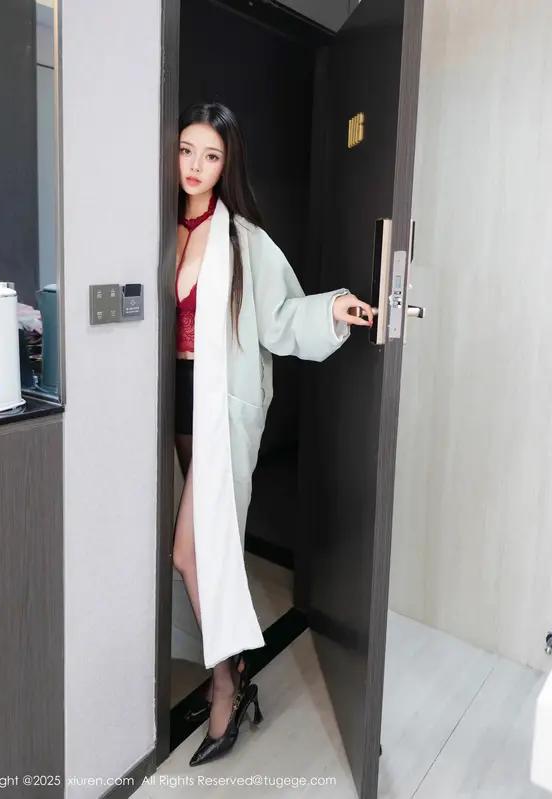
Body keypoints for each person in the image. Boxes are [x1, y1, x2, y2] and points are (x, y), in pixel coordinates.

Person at [172, 101, 374, 767]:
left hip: (219, 408)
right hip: (173, 406)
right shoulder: (163, 228)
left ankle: (228, 685)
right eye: (186, 151)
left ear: (227, 165)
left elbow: (283, 314)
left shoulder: (243, 240)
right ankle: (228, 667)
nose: (195, 166)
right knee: (203, 545)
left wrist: (334, 307)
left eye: (210, 156)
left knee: (193, 552)